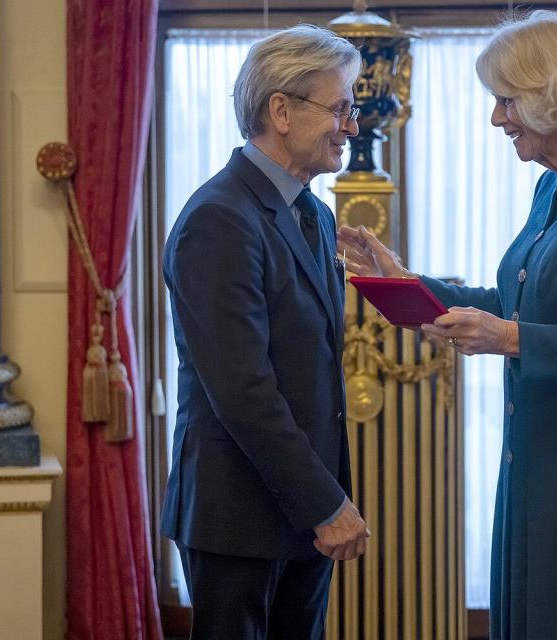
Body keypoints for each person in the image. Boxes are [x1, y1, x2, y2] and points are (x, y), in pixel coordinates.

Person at [339, 10, 557, 640]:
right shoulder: (556, 186)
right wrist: (406, 281)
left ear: (551, 94)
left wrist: (505, 340)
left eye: (507, 100)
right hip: (538, 451)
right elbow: (516, 299)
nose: (498, 118)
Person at [161, 25, 369, 639]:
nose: (351, 127)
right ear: (281, 110)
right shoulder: (218, 219)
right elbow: (243, 392)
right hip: (238, 520)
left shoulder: (313, 213)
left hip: (300, 513)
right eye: (341, 108)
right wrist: (325, 503)